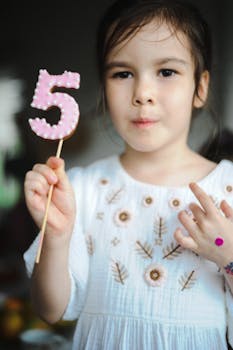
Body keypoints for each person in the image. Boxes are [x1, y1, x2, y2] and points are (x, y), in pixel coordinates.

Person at [23, 1, 233, 349]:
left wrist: (228, 254)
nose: (142, 94)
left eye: (166, 72)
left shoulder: (228, 187)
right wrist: (56, 237)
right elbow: (50, 310)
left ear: (200, 87)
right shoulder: (81, 188)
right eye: (122, 73)